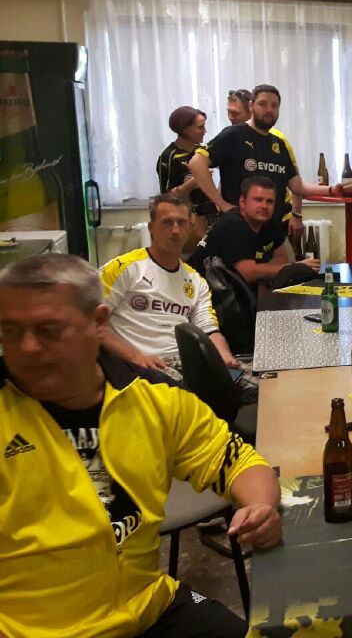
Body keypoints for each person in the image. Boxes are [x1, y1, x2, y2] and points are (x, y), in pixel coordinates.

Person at [0, 253, 282, 638]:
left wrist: (261, 508)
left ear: (99, 323)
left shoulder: (154, 398)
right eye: (11, 331)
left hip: (146, 605)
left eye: (48, 329)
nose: (28, 347)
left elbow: (237, 460)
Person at [189, 84, 348, 244]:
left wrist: (332, 190)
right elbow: (196, 163)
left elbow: (297, 186)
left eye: (274, 106)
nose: (269, 110)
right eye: (263, 104)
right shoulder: (233, 135)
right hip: (238, 232)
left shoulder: (279, 144)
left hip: (274, 232)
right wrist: (221, 204)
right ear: (251, 106)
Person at [100, 194, 238, 376]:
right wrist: (135, 357)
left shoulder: (196, 281)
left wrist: (224, 356)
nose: (175, 230)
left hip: (185, 369)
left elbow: (210, 331)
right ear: (151, 228)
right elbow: (92, 323)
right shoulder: (123, 268)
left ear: (190, 228)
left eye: (181, 223)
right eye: (167, 223)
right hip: (137, 370)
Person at [188, 176, 320, 286]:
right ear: (242, 202)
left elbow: (281, 258)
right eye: (258, 200)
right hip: (197, 290)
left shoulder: (269, 222)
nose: (264, 206)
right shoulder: (233, 224)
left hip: (230, 289)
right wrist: (294, 268)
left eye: (269, 202)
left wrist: (260, 270)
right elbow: (248, 274)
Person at [157, 106, 216, 228]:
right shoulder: (169, 156)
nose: (205, 131)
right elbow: (166, 198)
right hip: (187, 218)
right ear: (185, 129)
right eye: (200, 127)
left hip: (210, 215)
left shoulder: (202, 151)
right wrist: (191, 183)